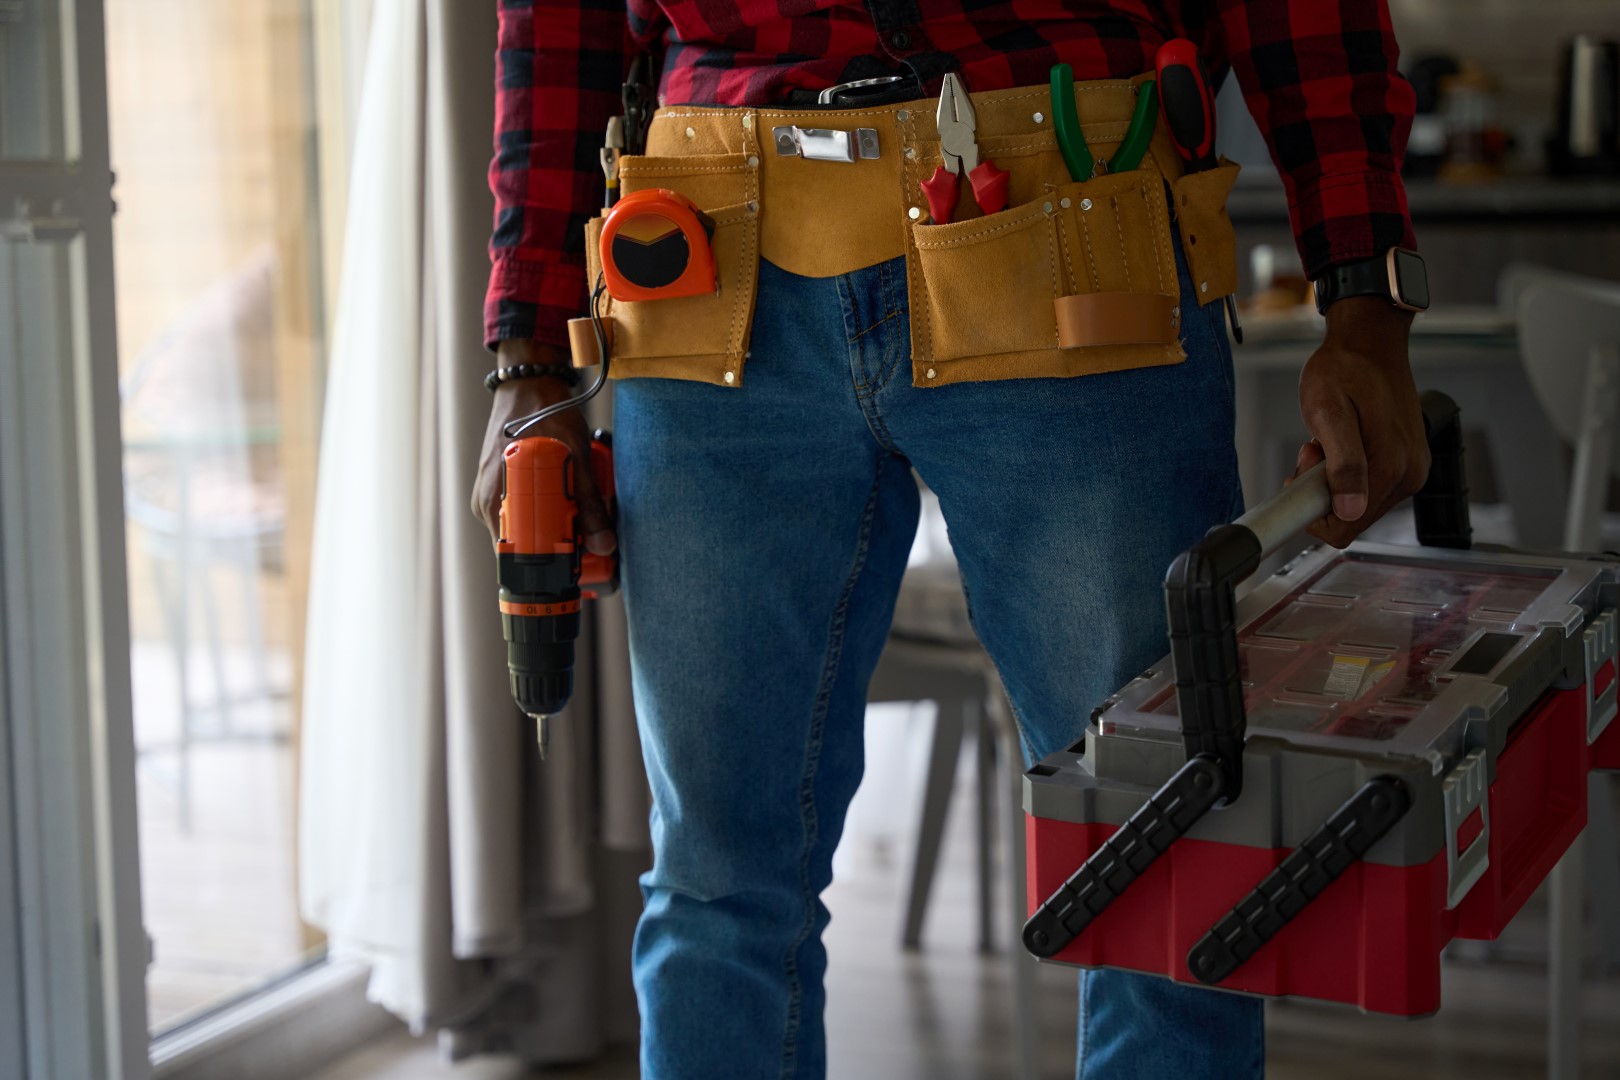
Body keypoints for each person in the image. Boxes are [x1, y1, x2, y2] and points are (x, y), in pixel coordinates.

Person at [472, 2, 1429, 1076]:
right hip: (707, 253)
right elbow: (559, 28)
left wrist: (1364, 298)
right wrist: (528, 353)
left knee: (1165, 843)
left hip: (1072, 223)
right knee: (714, 876)